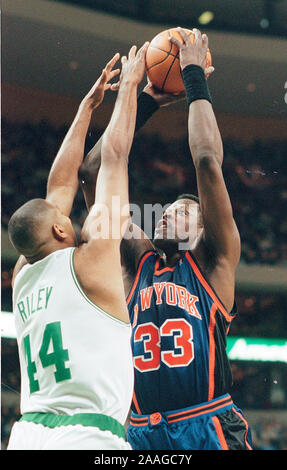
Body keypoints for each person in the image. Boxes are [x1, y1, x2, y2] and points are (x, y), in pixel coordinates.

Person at [79, 29, 253, 450]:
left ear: (202, 230)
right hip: (139, 430)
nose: (170, 212)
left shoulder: (213, 263)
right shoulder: (136, 260)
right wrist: (146, 103)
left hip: (207, 424)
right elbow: (92, 171)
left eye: (184, 211)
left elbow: (208, 160)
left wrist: (193, 75)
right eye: (169, 208)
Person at [7, 42, 149, 450]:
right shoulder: (94, 259)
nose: (68, 216)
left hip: (28, 432)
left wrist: (86, 108)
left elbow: (60, 187)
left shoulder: (22, 275)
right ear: (57, 231)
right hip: (87, 435)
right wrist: (129, 88)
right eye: (63, 219)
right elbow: (114, 159)